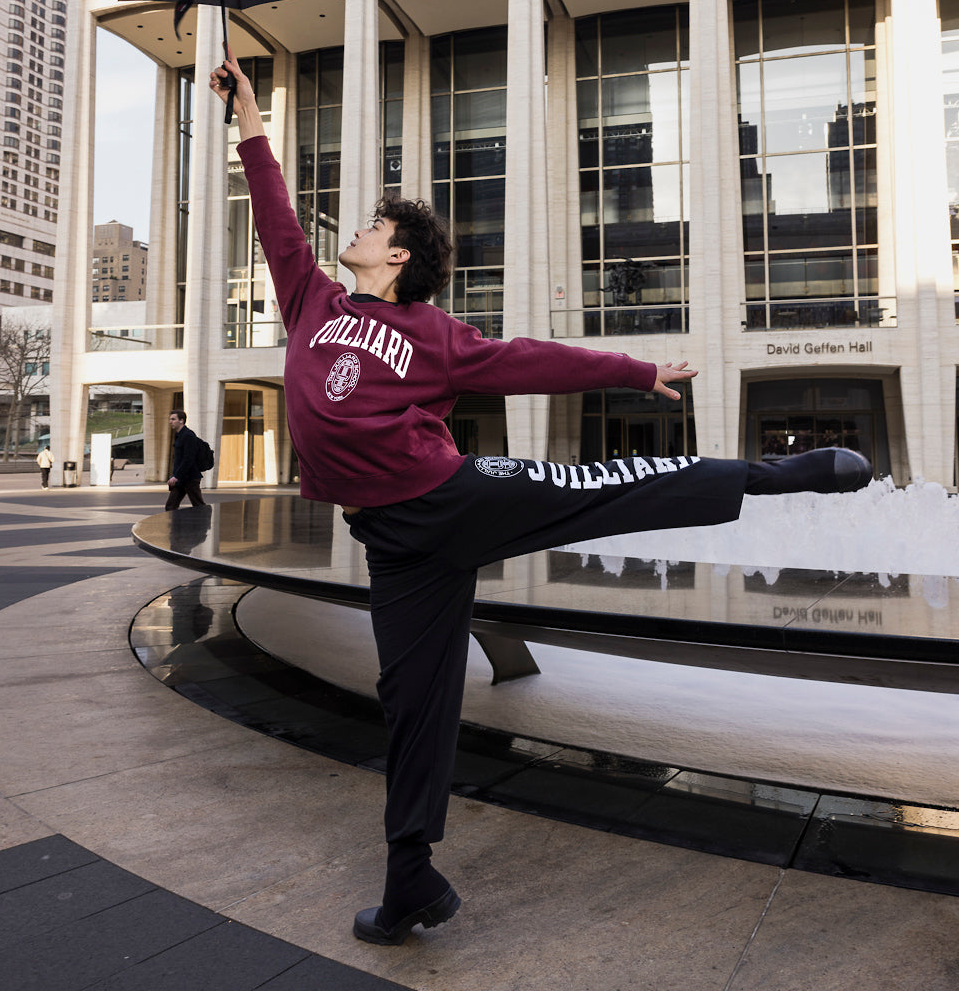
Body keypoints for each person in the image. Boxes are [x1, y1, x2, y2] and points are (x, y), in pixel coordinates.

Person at [210, 53, 872, 947]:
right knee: (412, 697)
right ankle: (411, 880)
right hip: (394, 546)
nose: (357, 230)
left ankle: (781, 475)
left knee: (608, 485)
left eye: (373, 225)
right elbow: (274, 213)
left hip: (450, 499)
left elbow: (528, 359)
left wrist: (632, 369)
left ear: (397, 256)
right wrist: (249, 115)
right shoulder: (311, 301)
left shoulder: (432, 333)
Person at [165, 410, 206, 510]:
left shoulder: (188, 435)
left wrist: (176, 476)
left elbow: (188, 458)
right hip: (181, 478)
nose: (170, 422)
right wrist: (176, 476)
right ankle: (176, 522)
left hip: (190, 478)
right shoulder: (179, 435)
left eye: (173, 419)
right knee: (170, 506)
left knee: (199, 506)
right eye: (170, 419)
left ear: (181, 420)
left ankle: (206, 520)